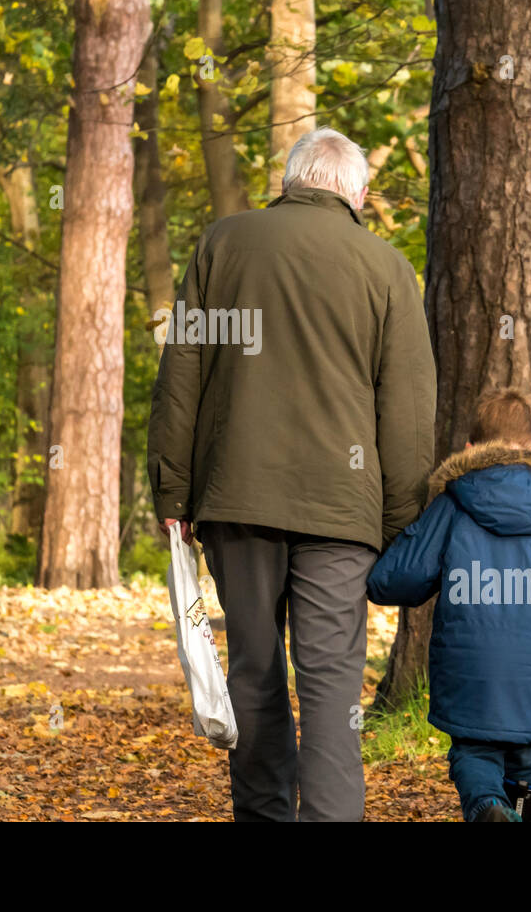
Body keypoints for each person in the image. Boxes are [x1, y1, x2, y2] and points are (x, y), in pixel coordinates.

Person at [147, 127, 435, 821]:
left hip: (236, 498)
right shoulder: (387, 268)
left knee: (254, 670)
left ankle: (264, 815)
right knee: (333, 684)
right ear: (358, 194)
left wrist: (174, 489)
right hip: (343, 510)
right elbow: (407, 413)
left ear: (290, 181)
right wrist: (402, 525)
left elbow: (181, 372)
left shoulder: (223, 245)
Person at [367, 387, 531, 821]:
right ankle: (517, 805)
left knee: (474, 756)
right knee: (529, 762)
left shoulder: (453, 504)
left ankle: (489, 806)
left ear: (472, 448)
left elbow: (393, 582)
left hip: (471, 677)